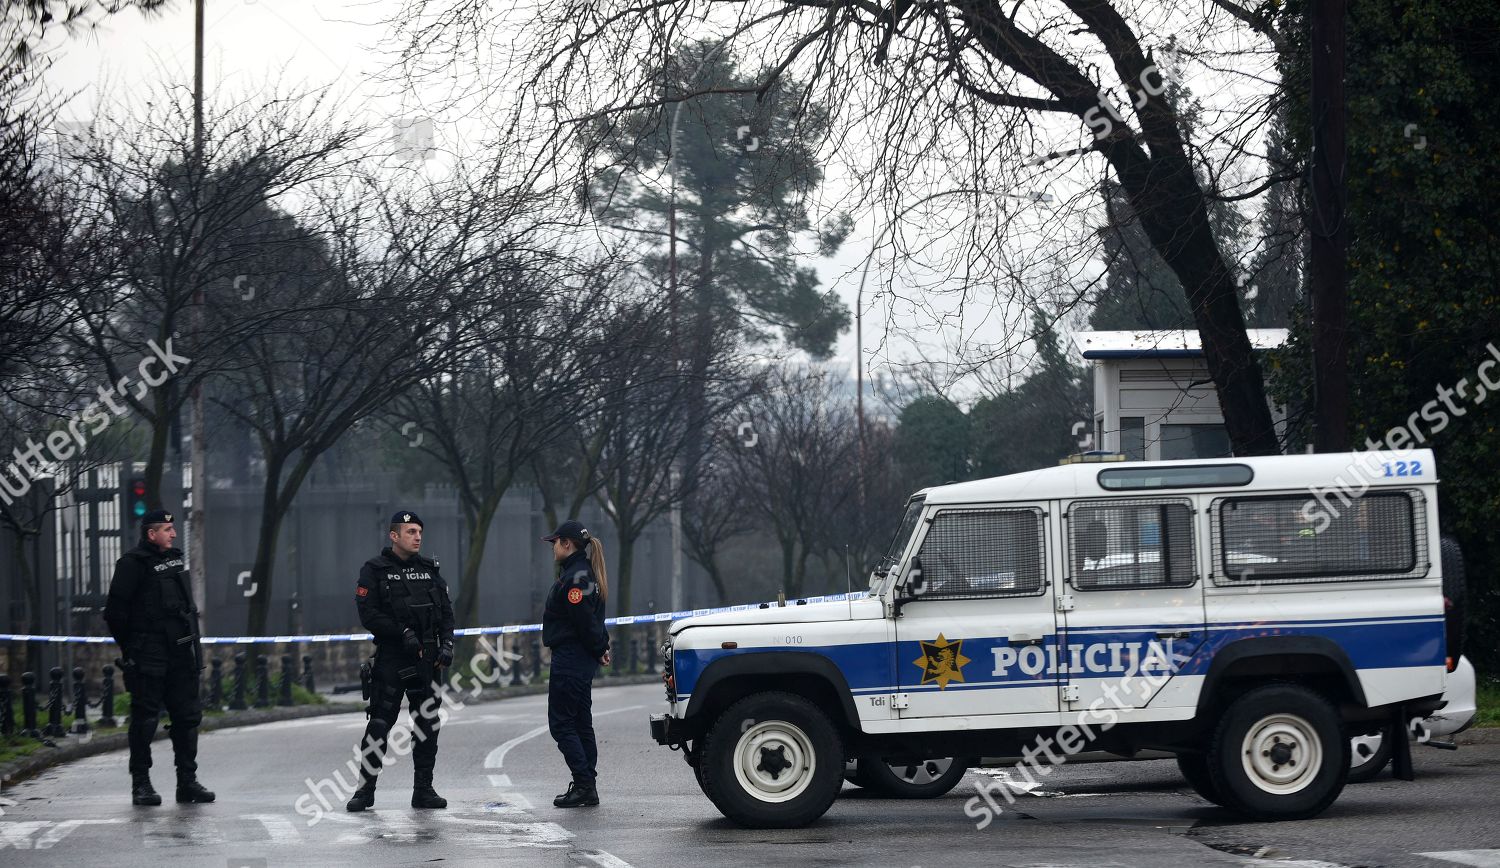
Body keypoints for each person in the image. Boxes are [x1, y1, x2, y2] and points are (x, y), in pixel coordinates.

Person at [344, 510, 456, 812]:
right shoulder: (375, 570)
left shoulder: (429, 569)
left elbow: (446, 612)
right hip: (393, 658)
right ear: (394, 536)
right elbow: (368, 614)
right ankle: (365, 791)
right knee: (380, 724)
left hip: (428, 660)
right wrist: (402, 632)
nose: (417, 537)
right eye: (410, 532)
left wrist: (447, 644)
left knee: (427, 725)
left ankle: (424, 791)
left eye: (419, 531)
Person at [103, 509, 215, 806]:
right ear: (151, 534)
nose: (173, 533)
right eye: (167, 529)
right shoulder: (132, 564)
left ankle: (187, 783)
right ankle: (141, 784)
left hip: (180, 652)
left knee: (188, 718)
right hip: (148, 654)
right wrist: (131, 649)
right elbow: (114, 613)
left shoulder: (174, 561)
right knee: (145, 719)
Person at [541, 519, 611, 808]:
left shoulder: (575, 577)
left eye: (555, 542)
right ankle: (587, 785)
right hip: (581, 658)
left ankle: (583, 784)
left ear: (566, 544)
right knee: (581, 723)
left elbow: (584, 620)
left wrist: (599, 646)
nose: (553, 548)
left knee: (562, 724)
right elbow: (595, 619)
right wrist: (601, 646)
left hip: (571, 658)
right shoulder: (584, 573)